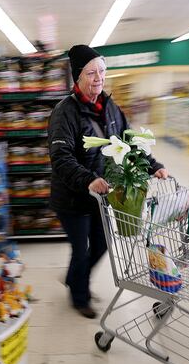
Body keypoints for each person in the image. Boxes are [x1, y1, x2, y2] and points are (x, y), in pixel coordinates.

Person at [48, 44, 168, 319]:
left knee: (102, 244)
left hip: (101, 196)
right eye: (91, 73)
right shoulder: (64, 112)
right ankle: (79, 297)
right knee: (81, 250)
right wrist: (88, 179)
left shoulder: (111, 107)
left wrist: (154, 166)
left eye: (101, 71)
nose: (98, 78)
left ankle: (73, 278)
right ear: (77, 77)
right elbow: (61, 157)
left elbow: (128, 141)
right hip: (72, 197)